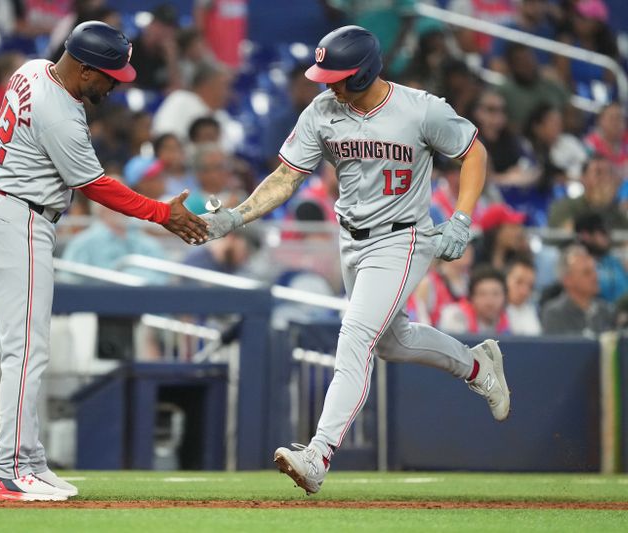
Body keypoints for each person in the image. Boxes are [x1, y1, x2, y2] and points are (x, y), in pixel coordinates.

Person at [199, 26, 509, 495]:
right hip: (351, 240)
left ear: (365, 72)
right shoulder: (322, 110)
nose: (328, 85)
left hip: (402, 239)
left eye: (337, 76)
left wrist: (463, 218)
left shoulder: (419, 108)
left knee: (357, 337)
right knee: (391, 340)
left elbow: (474, 152)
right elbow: (286, 178)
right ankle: (476, 365)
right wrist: (237, 217)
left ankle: (319, 454)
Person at [0, 21, 207, 502]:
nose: (115, 84)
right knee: (25, 353)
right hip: (19, 217)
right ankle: (9, 468)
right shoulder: (59, 109)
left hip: (7, 209)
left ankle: (28, 458)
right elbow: (95, 185)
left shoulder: (34, 69)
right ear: (81, 66)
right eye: (108, 75)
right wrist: (161, 213)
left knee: (28, 349)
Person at [541, 244, 614, 336]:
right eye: (587, 273)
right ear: (567, 280)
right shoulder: (554, 314)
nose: (595, 276)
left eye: (595, 270)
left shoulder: (605, 311)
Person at [548, 155, 628, 230]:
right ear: (583, 178)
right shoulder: (564, 207)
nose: (604, 178)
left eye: (609, 173)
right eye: (598, 173)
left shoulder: (618, 212)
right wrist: (596, 207)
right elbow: (557, 235)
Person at [438, 266, 511, 335]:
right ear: (471, 297)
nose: (490, 302)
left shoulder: (511, 317)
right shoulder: (454, 315)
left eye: (496, 294)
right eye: (483, 294)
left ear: (505, 296)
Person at [574, 212, 628, 304]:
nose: (608, 236)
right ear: (585, 235)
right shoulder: (576, 265)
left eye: (608, 232)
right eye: (602, 232)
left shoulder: (616, 261)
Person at [504, 256, 542, 335]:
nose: (524, 291)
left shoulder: (537, 313)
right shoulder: (493, 313)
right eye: (519, 282)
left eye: (530, 286)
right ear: (506, 279)